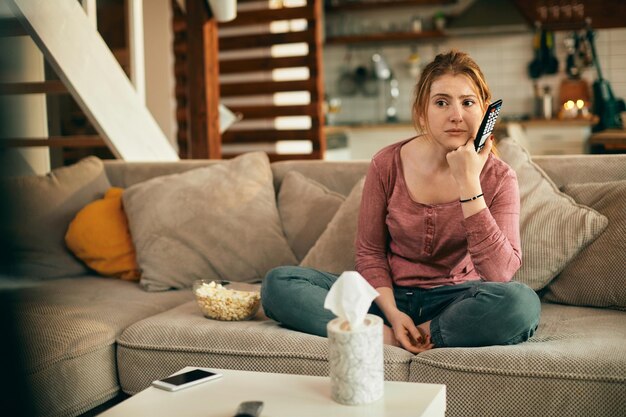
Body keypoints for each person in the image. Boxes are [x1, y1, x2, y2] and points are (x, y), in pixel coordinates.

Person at [261, 50, 540, 353]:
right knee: (279, 283)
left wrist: (469, 183)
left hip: (456, 302)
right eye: (441, 102)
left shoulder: (500, 177)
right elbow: (369, 252)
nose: (456, 115)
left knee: (521, 304)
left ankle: (421, 334)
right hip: (387, 298)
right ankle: (385, 337)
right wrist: (394, 318)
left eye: (468, 102)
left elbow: (500, 274)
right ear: (422, 112)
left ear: (485, 111)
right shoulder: (387, 163)